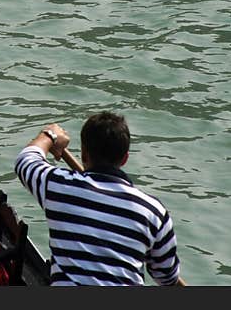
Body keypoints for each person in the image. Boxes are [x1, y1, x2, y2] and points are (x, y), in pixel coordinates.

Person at [14, 111, 185, 286]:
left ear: (84, 154)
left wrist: (49, 135)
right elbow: (167, 278)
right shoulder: (153, 212)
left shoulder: (59, 186)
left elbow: (25, 160)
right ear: (125, 158)